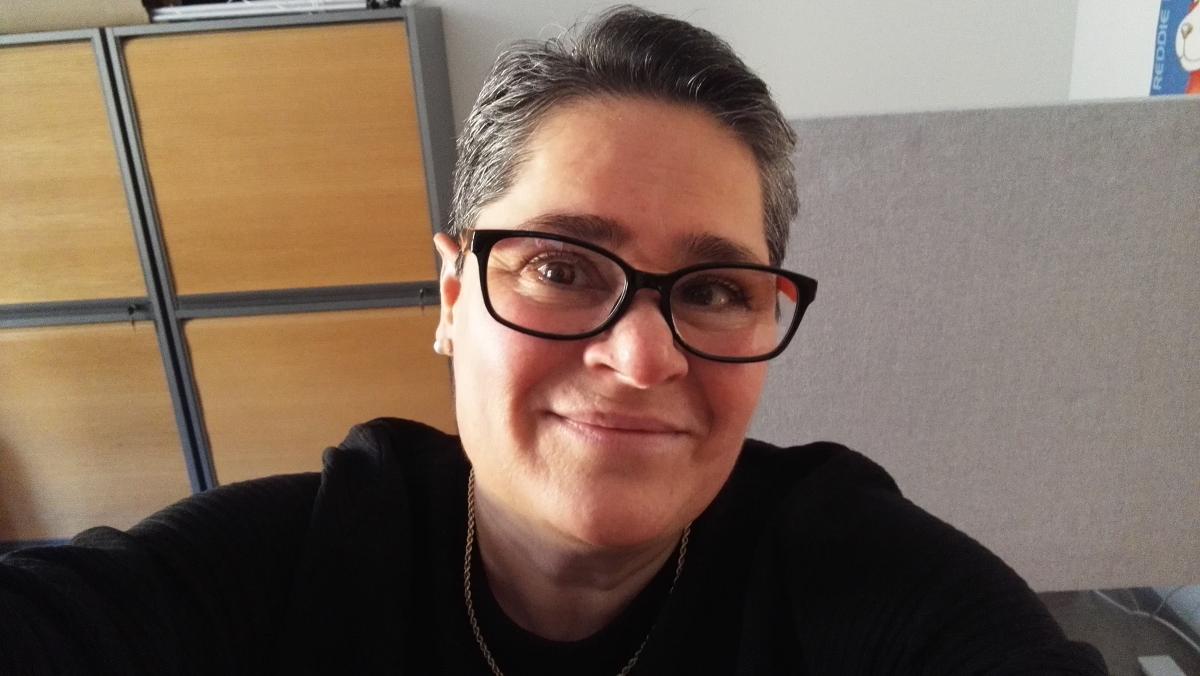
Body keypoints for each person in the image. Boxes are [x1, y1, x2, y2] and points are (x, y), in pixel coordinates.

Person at [0, 6, 1107, 675]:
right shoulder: (276, 575)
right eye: (563, 269)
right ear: (452, 296)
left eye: (714, 289)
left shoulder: (849, 571)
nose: (643, 358)